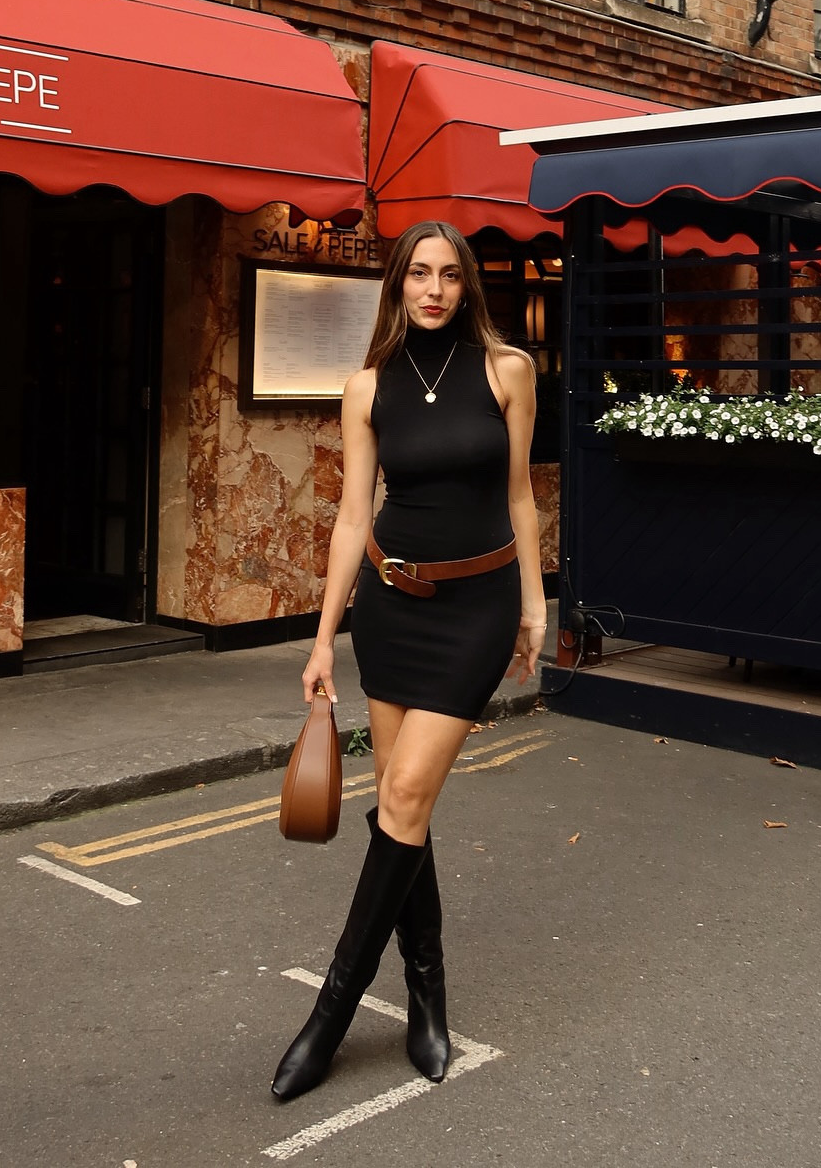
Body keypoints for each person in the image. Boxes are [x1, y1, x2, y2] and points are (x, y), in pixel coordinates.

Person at [271, 219, 546, 1102]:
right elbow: (354, 516)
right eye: (419, 274)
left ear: (469, 286)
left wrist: (536, 606)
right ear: (397, 285)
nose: (434, 289)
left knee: (405, 794)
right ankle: (428, 993)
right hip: (390, 608)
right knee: (404, 805)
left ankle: (331, 1014)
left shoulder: (509, 372)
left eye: (451, 276)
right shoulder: (367, 388)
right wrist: (322, 638)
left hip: (477, 608)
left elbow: (518, 495)